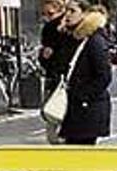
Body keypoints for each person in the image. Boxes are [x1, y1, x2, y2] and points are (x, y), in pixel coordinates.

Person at [57, 1, 111, 145]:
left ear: (85, 14)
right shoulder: (74, 38)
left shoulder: (94, 40)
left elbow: (104, 76)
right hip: (76, 108)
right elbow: (59, 65)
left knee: (80, 154)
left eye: (72, 11)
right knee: (73, 153)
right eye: (66, 11)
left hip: (87, 109)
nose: (67, 15)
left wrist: (83, 96)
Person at [39, 0, 77, 143]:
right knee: (53, 115)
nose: (48, 17)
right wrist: (44, 55)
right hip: (57, 77)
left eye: (50, 13)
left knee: (54, 117)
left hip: (63, 78)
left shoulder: (69, 28)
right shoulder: (51, 28)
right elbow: (45, 55)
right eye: (45, 14)